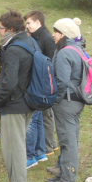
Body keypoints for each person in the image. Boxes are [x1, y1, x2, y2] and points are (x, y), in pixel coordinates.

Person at [0, 10, 34, 182]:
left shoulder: (14, 50)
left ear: (10, 29)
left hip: (14, 105)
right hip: (27, 103)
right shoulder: (28, 42)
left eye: (1, 28)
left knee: (13, 149)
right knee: (17, 146)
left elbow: (8, 82)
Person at [47, 18, 86, 182]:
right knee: (72, 138)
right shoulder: (78, 49)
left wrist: (55, 100)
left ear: (62, 34)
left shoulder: (64, 53)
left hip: (67, 102)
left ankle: (67, 179)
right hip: (77, 101)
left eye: (55, 32)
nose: (53, 35)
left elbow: (61, 81)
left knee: (67, 140)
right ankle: (65, 173)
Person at [23, 11, 58, 168]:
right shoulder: (34, 37)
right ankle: (43, 149)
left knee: (44, 117)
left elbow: (51, 63)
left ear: (38, 22)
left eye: (29, 23)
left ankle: (46, 148)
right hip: (37, 83)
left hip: (43, 85)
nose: (27, 26)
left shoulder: (47, 39)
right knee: (39, 118)